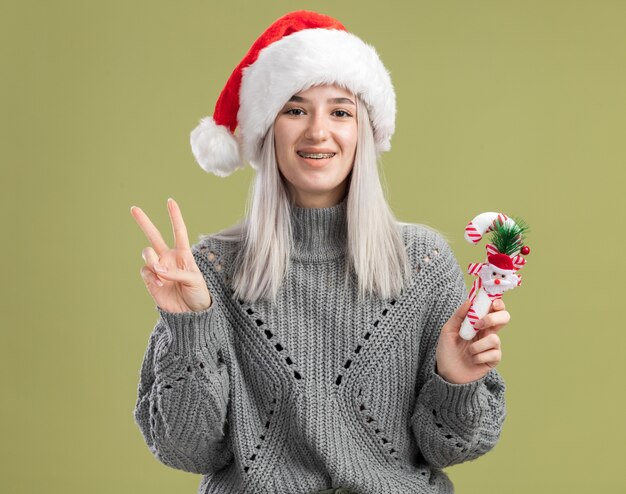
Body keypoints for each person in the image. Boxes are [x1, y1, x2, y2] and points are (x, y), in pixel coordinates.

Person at [131, 10, 508, 494]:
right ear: (268, 131)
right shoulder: (208, 274)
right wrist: (189, 331)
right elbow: (188, 449)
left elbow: (456, 445)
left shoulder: (423, 263)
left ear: (364, 132)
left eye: (340, 111)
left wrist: (453, 381)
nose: (317, 132)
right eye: (294, 109)